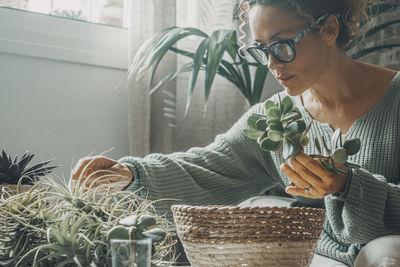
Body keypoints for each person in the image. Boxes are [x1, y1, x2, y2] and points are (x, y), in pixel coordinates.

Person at [72, 0, 400, 266]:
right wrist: (132, 175)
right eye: (260, 50)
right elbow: (209, 166)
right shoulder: (275, 117)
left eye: (283, 45)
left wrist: (350, 186)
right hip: (321, 255)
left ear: (329, 28)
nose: (272, 63)